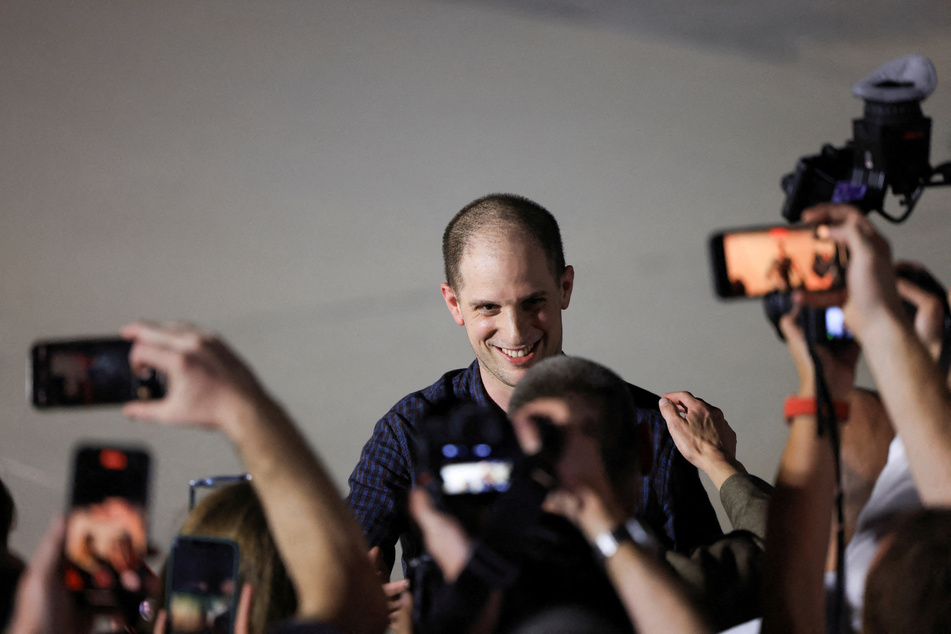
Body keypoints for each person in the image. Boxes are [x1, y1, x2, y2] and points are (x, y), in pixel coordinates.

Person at [347, 193, 721, 576]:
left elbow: (715, 597)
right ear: (454, 304)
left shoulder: (649, 426)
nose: (515, 332)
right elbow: (349, 573)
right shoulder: (408, 430)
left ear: (565, 287)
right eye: (488, 307)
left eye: (531, 302)